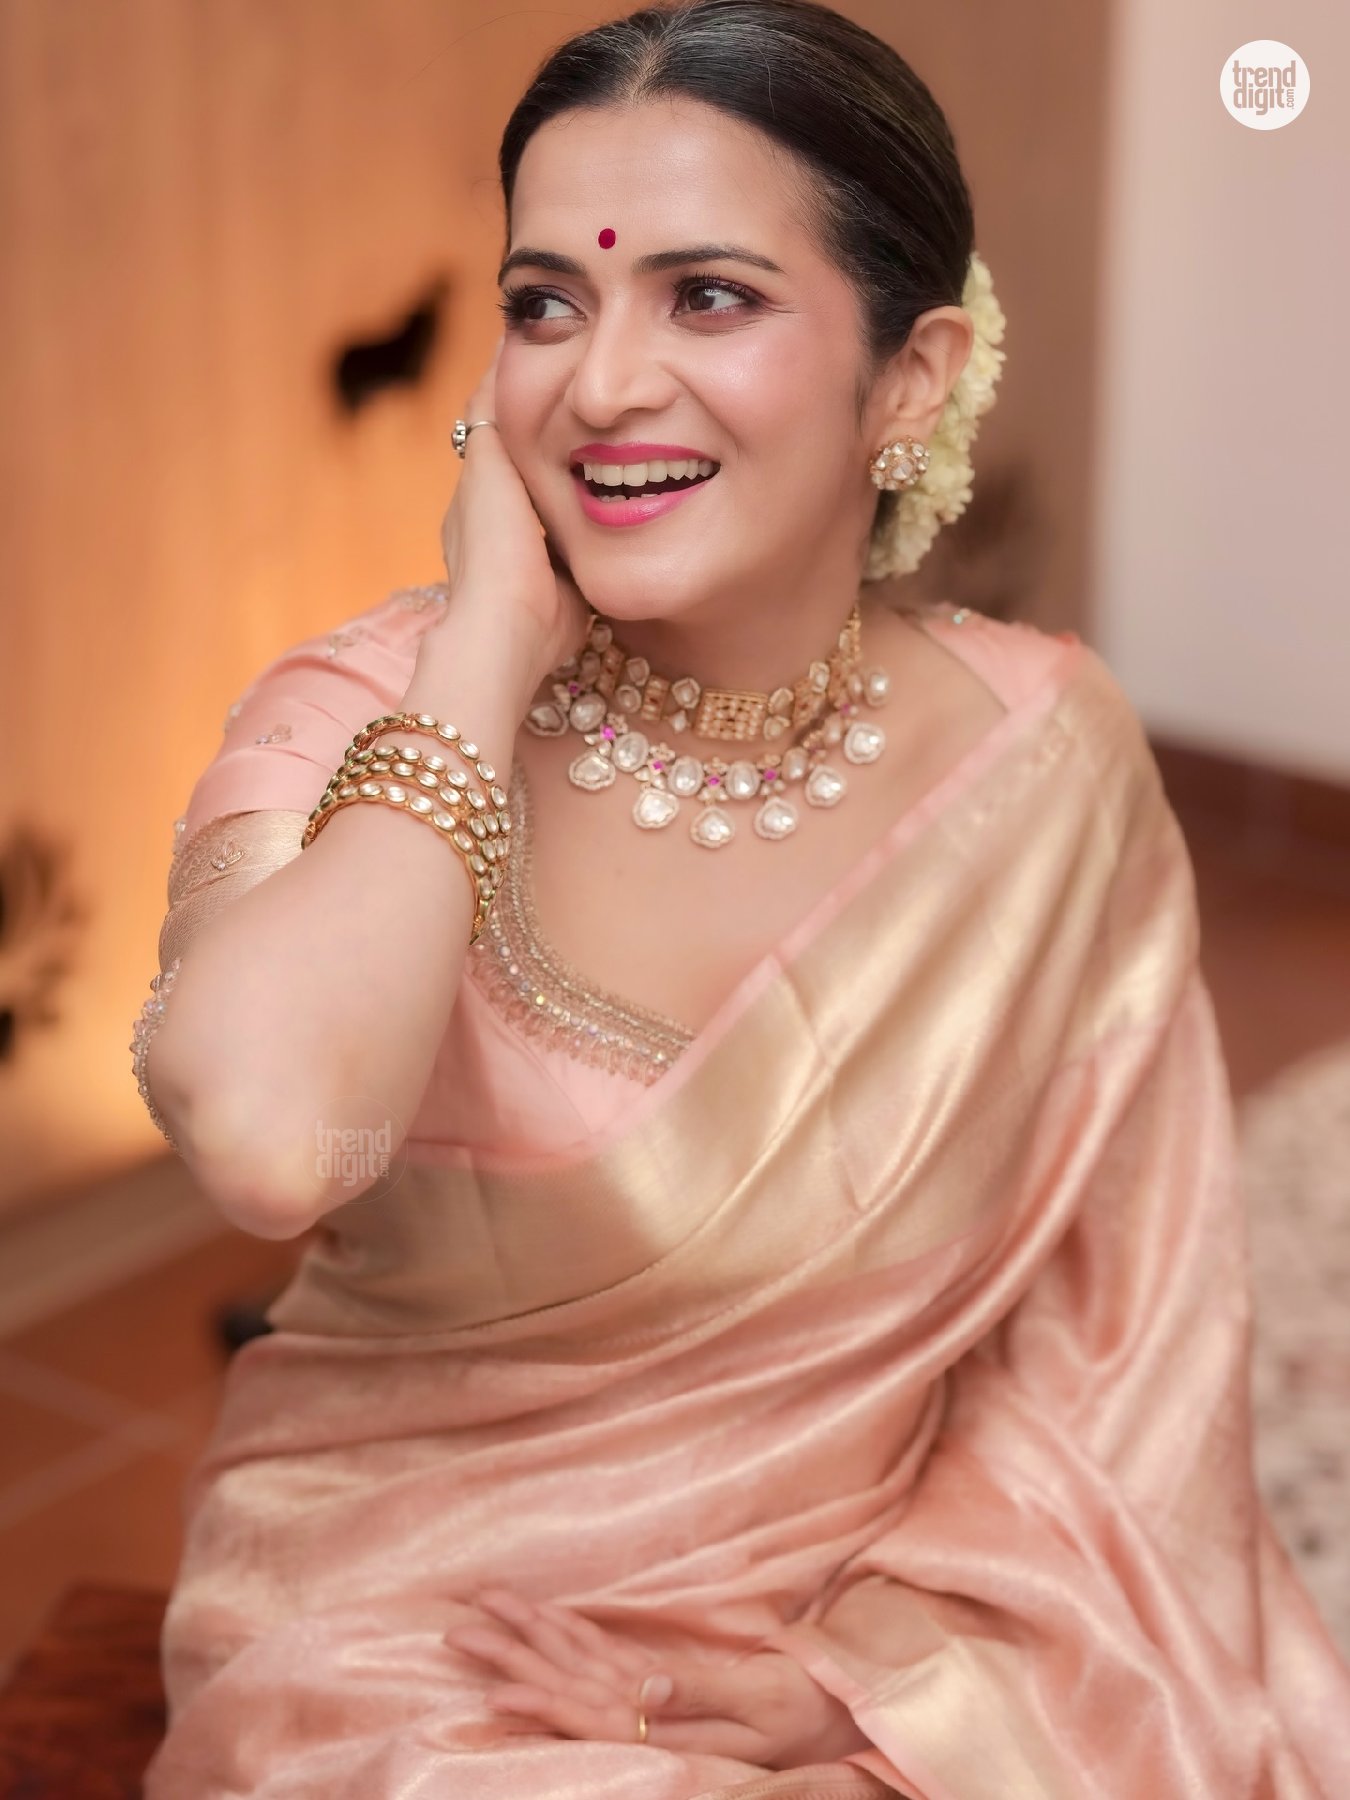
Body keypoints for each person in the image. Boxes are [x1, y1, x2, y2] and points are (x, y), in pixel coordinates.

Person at [133, 1, 1350, 1794]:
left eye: (706, 297)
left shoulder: (1038, 761)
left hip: (857, 1611)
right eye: (547, 302)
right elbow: (262, 1139)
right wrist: (479, 659)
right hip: (423, 1641)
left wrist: (878, 1682)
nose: (601, 384)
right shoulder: (354, 722)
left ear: (912, 377)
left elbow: (1111, 1342)